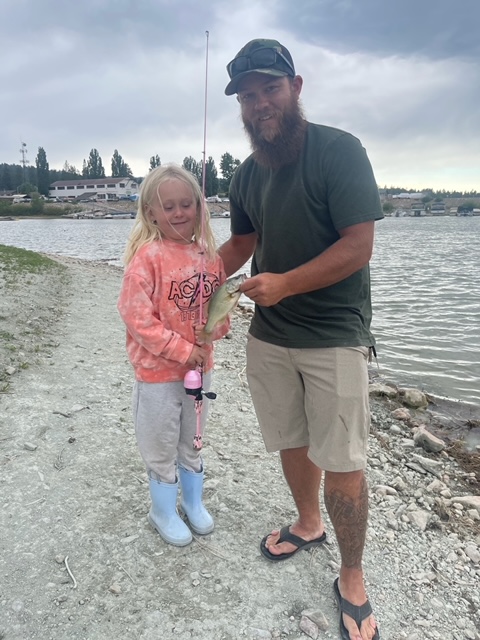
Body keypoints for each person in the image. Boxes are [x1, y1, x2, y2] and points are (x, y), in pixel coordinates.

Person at [220, 39, 383, 640]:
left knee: (343, 460)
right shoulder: (245, 172)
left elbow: (357, 245)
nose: (259, 103)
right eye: (248, 95)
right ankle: (307, 523)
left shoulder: (339, 151)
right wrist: (191, 280)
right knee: (290, 440)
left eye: (270, 88)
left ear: (296, 87)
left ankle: (353, 574)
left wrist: (285, 283)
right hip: (269, 335)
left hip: (335, 335)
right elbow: (241, 243)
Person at [117, 164, 229, 547]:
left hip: (201, 372)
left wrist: (213, 330)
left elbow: (224, 311)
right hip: (157, 376)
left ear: (200, 208)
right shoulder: (146, 258)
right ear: (151, 212)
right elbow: (137, 319)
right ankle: (163, 509)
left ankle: (192, 502)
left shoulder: (210, 257)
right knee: (159, 443)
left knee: (193, 439)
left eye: (187, 204)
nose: (179, 212)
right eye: (169, 206)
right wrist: (184, 348)